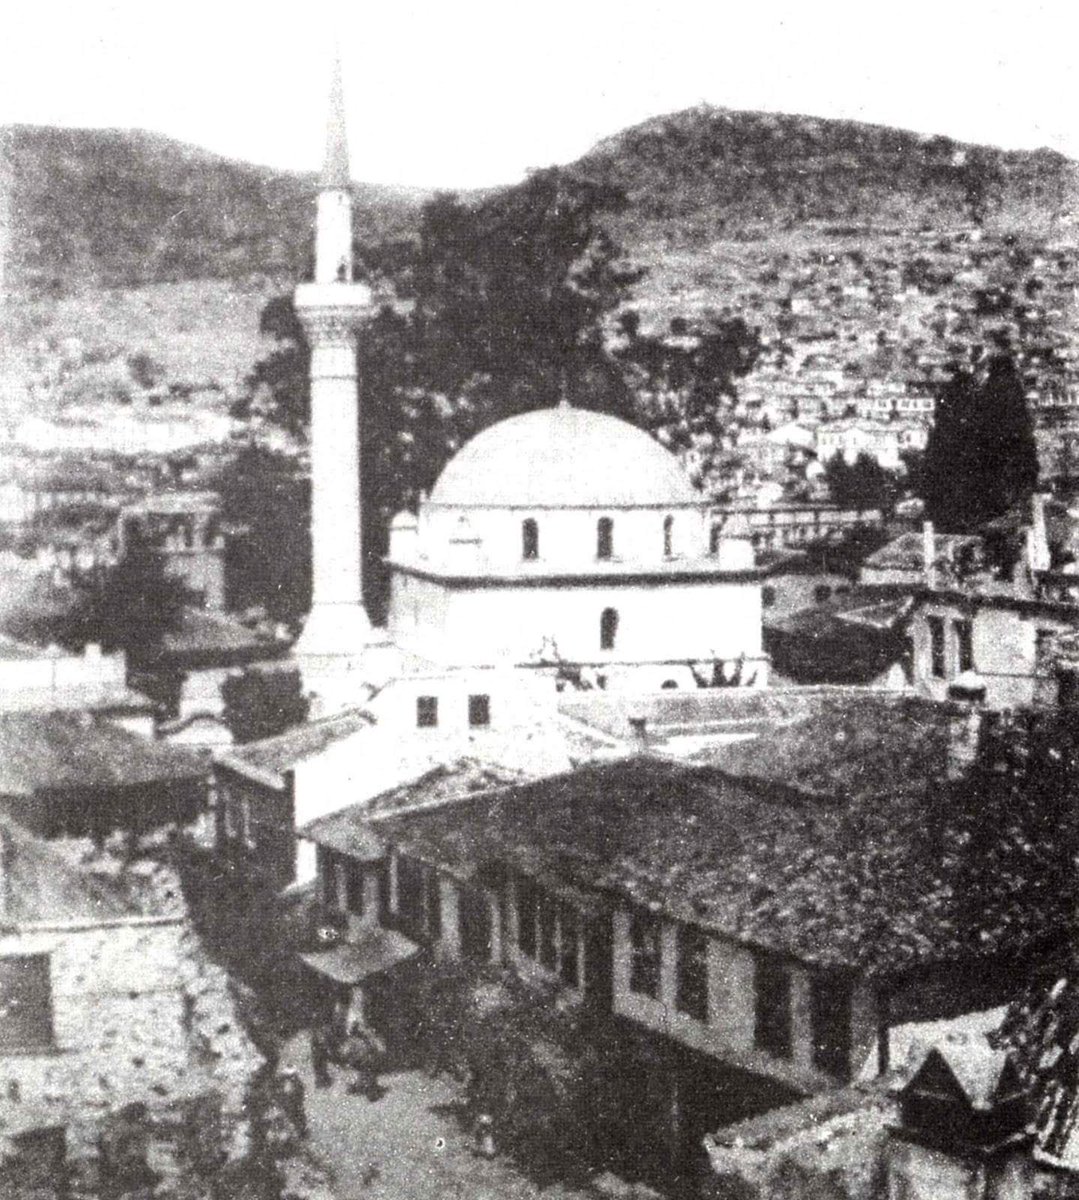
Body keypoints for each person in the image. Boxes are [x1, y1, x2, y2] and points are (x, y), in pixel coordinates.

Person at [340, 1020, 387, 1101]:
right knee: (367, 1069)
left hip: (366, 1061)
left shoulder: (365, 1040)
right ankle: (365, 1085)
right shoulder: (356, 1040)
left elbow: (344, 1051)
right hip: (362, 1061)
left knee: (367, 1069)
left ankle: (365, 1085)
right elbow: (345, 1051)